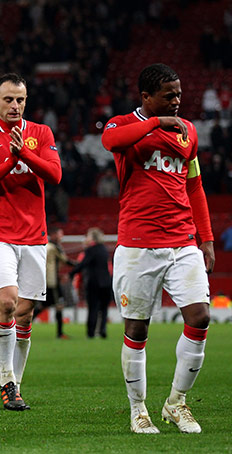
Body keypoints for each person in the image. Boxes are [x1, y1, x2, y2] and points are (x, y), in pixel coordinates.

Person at [101, 63, 215, 434]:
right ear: (146, 97)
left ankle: (176, 403)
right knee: (137, 327)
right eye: (169, 95)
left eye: (179, 93)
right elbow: (110, 142)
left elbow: (195, 187)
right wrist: (155, 124)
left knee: (199, 316)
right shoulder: (123, 125)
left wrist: (207, 238)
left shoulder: (189, 133)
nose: (177, 100)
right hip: (138, 243)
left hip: (182, 241)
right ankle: (139, 410)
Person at [0, 73, 61, 411]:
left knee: (25, 314)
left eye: (20, 100)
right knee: (6, 303)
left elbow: (55, 174)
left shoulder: (41, 133)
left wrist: (25, 154)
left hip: (34, 236)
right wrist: (11, 160)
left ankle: (16, 386)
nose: (15, 106)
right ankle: (7, 380)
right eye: (8, 99)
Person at [68, 227, 112, 339]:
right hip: (106, 282)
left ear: (93, 238)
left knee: (93, 308)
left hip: (93, 283)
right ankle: (102, 330)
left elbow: (83, 264)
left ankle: (91, 332)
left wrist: (71, 273)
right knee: (104, 308)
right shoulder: (104, 249)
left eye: (88, 236)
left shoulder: (90, 250)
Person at [34, 226, 72, 339]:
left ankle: (21, 325)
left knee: (43, 306)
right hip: (52, 282)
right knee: (58, 305)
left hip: (47, 280)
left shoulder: (47, 246)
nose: (62, 237)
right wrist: (78, 265)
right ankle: (60, 333)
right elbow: (65, 260)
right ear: (54, 235)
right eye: (60, 234)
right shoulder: (53, 247)